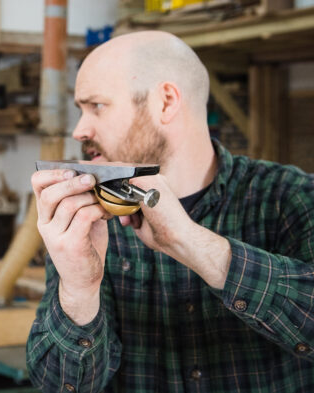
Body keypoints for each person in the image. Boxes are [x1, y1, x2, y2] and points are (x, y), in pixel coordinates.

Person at [27, 31, 314, 392]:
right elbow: (60, 386)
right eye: (80, 111)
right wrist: (79, 292)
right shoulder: (87, 224)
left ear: (165, 102)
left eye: (96, 106)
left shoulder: (292, 198)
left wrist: (191, 242)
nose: (80, 130)